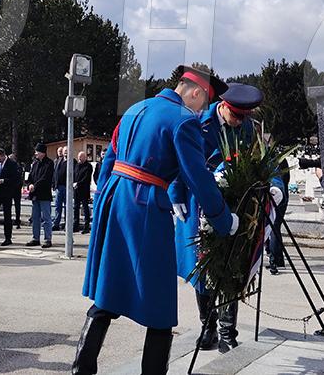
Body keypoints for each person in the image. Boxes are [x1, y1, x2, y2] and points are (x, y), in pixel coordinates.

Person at [74, 65, 239, 375]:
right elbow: (197, 177)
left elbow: (109, 162)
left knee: (109, 290)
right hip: (146, 206)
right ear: (195, 92)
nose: (201, 109)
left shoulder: (136, 108)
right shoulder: (183, 120)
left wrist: (106, 201)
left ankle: (81, 368)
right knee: (160, 305)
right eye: (203, 103)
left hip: (115, 199)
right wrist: (221, 218)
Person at [170, 82, 280, 354]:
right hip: (199, 205)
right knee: (203, 268)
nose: (240, 122)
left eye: (245, 117)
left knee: (232, 266)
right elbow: (177, 160)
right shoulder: (197, 123)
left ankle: (228, 332)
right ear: (224, 107)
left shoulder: (247, 128)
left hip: (235, 209)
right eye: (237, 116)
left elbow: (264, 160)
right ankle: (208, 328)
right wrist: (175, 195)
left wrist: (275, 184)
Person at [25, 143, 54, 248]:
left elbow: (45, 178)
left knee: (46, 218)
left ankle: (47, 239)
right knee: (35, 218)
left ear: (43, 152)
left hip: (44, 195)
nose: (35, 153)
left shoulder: (49, 163)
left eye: (37, 151)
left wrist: (35, 186)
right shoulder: (35, 163)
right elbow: (30, 177)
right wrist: (29, 184)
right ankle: (35, 238)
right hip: (35, 195)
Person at [73, 150, 93, 234]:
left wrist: (78, 183)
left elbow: (86, 178)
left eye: (81, 157)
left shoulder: (88, 166)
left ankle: (86, 226)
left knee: (85, 208)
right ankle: (76, 226)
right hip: (76, 190)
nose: (79, 159)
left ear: (85, 157)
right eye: (78, 157)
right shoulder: (77, 165)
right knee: (76, 208)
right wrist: (74, 183)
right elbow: (74, 175)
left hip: (84, 190)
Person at [52, 147, 68, 231]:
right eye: (63, 151)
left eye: (65, 151)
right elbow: (55, 174)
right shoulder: (58, 161)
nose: (64, 152)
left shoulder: (71, 161)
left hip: (66, 187)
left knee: (66, 206)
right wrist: (54, 184)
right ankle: (56, 223)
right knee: (58, 206)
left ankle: (67, 224)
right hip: (59, 187)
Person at [9, 153, 24, 229]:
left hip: (16, 189)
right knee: (8, 205)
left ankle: (17, 221)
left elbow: (19, 179)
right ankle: (9, 221)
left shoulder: (18, 167)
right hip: (10, 189)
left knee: (17, 206)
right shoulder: (8, 166)